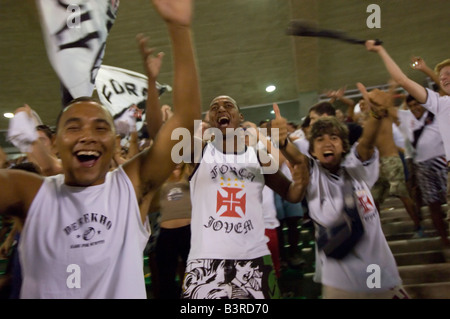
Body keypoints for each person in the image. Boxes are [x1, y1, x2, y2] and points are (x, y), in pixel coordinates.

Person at [0, 0, 201, 299]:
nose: (88, 135)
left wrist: (180, 29)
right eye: (74, 126)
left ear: (112, 143)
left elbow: (183, 120)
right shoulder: (29, 192)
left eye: (100, 127)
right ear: (55, 143)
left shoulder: (130, 187)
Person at [270, 84, 409, 299]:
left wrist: (375, 114)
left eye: (334, 138)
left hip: (376, 268)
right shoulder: (312, 173)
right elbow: (297, 159)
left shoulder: (356, 167)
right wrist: (282, 142)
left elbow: (366, 144)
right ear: (313, 150)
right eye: (320, 139)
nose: (328, 143)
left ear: (344, 145)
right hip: (339, 279)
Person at [182, 95, 309, 299]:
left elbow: (292, 194)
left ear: (240, 117)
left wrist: (301, 179)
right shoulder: (199, 152)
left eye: (228, 105)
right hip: (205, 261)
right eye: (214, 107)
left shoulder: (257, 156)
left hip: (255, 258)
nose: (221, 109)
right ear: (209, 118)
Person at [363, 40, 450, 169]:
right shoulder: (442, 104)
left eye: (447, 74)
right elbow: (402, 80)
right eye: (441, 76)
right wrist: (381, 51)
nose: (442, 78)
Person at [397, 94, 449, 246]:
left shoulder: (437, 114)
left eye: (417, 104)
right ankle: (444, 240)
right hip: (421, 165)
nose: (415, 108)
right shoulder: (408, 119)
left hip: (441, 161)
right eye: (411, 106)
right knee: (433, 204)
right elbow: (387, 109)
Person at [154, 163, 192, 299]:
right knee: (166, 277)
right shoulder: (161, 176)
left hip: (188, 231)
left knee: (194, 274)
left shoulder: (189, 172)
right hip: (167, 233)